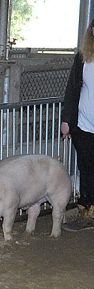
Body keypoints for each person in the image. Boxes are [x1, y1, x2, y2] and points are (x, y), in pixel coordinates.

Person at [61, 17, 94, 231]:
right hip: (84, 124)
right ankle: (86, 208)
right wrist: (66, 120)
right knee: (86, 166)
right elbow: (72, 90)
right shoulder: (83, 58)